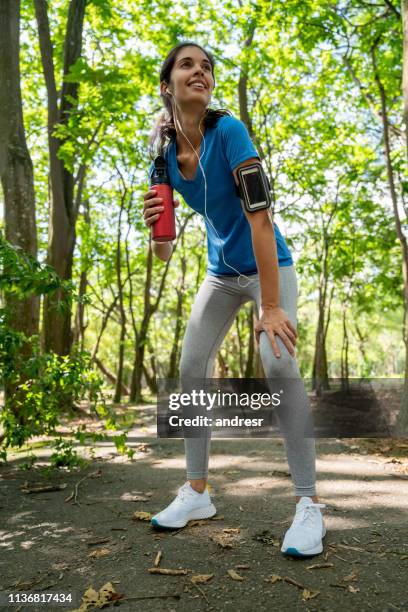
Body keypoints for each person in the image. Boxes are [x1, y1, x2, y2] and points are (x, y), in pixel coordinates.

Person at [142, 41, 326, 557]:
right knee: (190, 365)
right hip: (220, 274)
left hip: (270, 267)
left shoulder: (230, 132)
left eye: (206, 67)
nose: (199, 72)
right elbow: (162, 251)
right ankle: (197, 492)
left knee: (278, 362)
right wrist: (154, 229)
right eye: (186, 65)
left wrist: (271, 306)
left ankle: (309, 505)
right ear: (167, 84)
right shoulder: (161, 153)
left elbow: (261, 219)